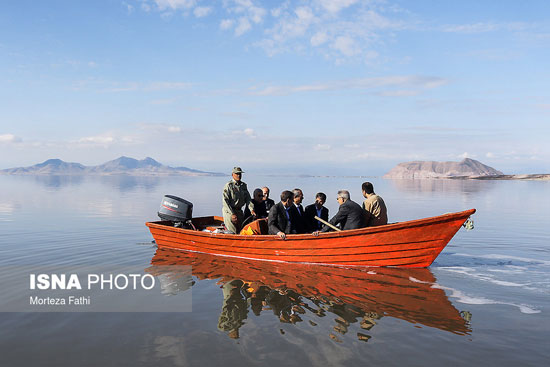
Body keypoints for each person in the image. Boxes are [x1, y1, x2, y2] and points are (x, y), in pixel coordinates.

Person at [222, 167, 254, 234]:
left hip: (239, 211)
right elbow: (225, 201)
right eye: (237, 174)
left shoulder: (243, 186)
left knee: (241, 231)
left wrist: (252, 209)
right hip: (229, 212)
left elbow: (248, 199)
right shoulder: (229, 186)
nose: (238, 175)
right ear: (232, 174)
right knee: (232, 232)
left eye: (240, 174)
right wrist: (232, 214)